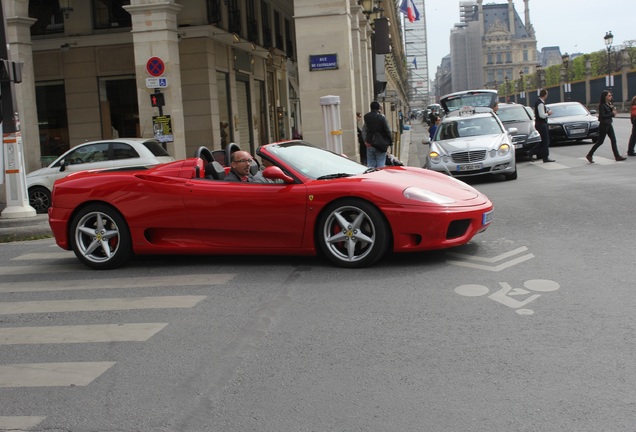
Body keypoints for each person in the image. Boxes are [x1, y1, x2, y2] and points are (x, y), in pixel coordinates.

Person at [586, 90, 626, 163]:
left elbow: (611, 112)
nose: (611, 97)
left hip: (608, 124)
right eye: (609, 95)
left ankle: (617, 156)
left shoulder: (608, 104)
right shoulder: (602, 105)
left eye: (611, 95)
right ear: (605, 97)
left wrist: (612, 109)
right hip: (604, 125)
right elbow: (602, 116)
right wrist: (612, 114)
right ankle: (589, 154)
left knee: (613, 140)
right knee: (600, 141)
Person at [363, 101, 392, 168]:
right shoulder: (381, 117)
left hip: (369, 142)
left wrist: (365, 140)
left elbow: (364, 130)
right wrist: (390, 142)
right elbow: (387, 130)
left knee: (370, 164)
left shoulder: (366, 117)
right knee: (380, 163)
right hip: (380, 143)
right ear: (378, 108)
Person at [528, 89, 555, 163]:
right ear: (545, 95)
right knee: (546, 141)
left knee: (544, 141)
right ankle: (545, 157)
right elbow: (542, 115)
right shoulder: (540, 103)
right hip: (541, 124)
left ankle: (532, 152)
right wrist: (548, 113)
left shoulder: (539, 102)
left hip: (540, 124)